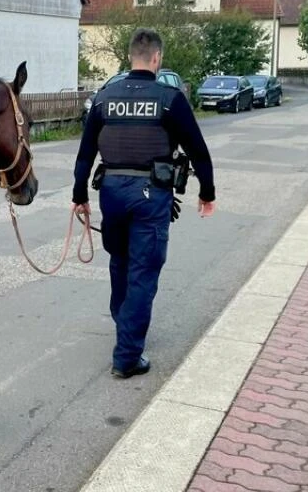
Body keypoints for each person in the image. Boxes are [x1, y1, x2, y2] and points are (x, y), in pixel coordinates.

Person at [72, 27, 216, 379]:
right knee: (143, 272)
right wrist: (207, 192)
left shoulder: (105, 97)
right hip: (151, 194)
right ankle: (126, 357)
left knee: (120, 263)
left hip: (112, 192)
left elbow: (85, 152)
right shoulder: (169, 98)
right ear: (157, 58)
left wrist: (79, 196)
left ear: (130, 56)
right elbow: (198, 151)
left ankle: (127, 328)